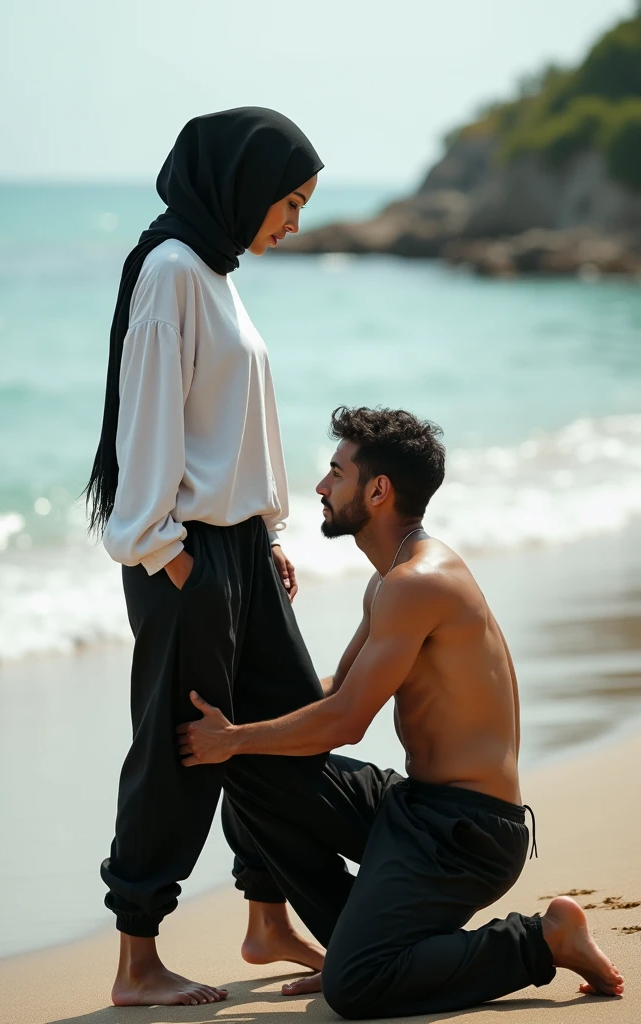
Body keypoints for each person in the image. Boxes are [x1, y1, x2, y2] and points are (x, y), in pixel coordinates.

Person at [177, 405, 624, 1018]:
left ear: (378, 490)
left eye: (336, 473)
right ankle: (354, 943)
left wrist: (233, 737)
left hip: (469, 834)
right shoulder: (390, 580)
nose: (321, 487)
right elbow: (334, 690)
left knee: (355, 989)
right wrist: (241, 705)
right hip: (416, 807)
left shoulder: (419, 582)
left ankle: (542, 939)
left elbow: (343, 722)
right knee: (253, 770)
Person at [85, 107, 328, 1007]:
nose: (293, 223)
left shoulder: (218, 270)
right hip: (184, 557)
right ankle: (137, 960)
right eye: (289, 201)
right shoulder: (173, 271)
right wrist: (168, 555)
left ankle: (266, 917)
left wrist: (266, 535)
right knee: (182, 755)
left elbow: (231, 425)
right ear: (240, 184)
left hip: (240, 554)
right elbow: (145, 418)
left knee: (285, 732)